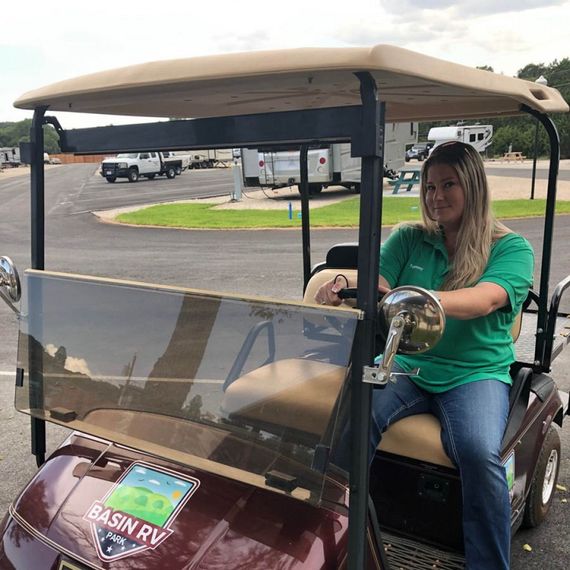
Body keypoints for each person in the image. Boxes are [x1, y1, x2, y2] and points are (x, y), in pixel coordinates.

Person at [315, 141, 534, 570]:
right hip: (409, 364)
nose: (436, 197)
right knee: (354, 421)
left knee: (477, 450)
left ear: (474, 186)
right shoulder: (411, 238)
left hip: (475, 372)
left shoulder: (510, 248)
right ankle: (327, 534)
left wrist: (416, 298)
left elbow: (485, 300)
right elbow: (376, 278)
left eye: (448, 184)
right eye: (430, 186)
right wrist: (342, 283)